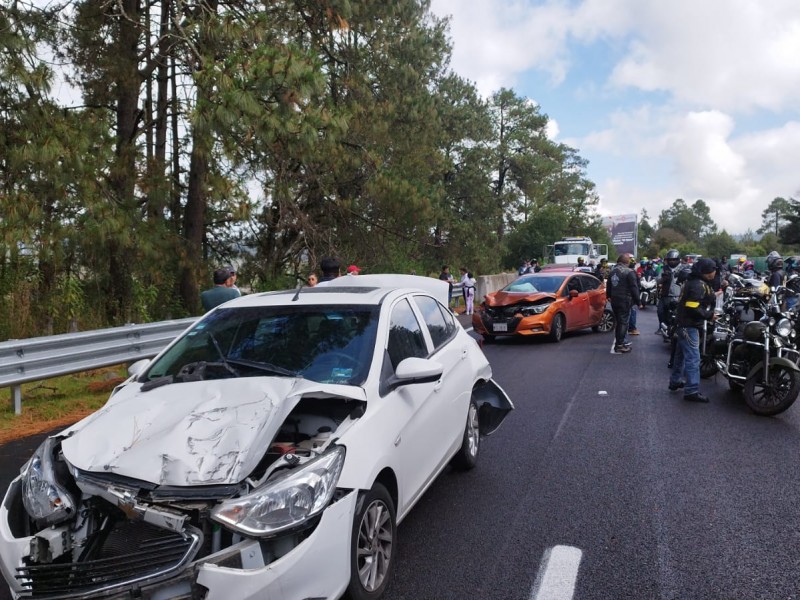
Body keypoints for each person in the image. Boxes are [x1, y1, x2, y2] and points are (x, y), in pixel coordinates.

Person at [669, 257, 718, 403]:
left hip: (683, 324)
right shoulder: (698, 285)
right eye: (712, 269)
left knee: (680, 356)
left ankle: (675, 381)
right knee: (693, 358)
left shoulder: (695, 282)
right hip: (689, 325)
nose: (715, 272)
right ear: (706, 271)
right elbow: (692, 307)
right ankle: (692, 390)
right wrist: (709, 316)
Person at [608, 253, 640, 354]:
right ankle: (620, 345)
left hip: (614, 300)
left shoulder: (612, 271)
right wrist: (639, 302)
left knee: (619, 322)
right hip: (625, 300)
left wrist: (608, 296)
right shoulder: (629, 272)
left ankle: (619, 343)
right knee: (623, 323)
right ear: (627, 262)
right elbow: (634, 288)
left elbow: (609, 286)